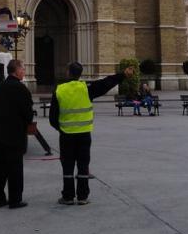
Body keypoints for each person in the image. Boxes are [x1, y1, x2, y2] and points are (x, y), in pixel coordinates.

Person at [50, 62, 134, 205]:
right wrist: (122, 75)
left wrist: (62, 128)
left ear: (68, 73)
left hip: (66, 135)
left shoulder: (59, 90)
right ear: (79, 74)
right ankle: (83, 196)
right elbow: (106, 83)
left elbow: (52, 118)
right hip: (84, 135)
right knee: (83, 165)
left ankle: (68, 196)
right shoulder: (87, 89)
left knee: (67, 166)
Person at [0, 59, 34, 209]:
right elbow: (28, 114)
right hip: (14, 135)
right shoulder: (21, 89)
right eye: (23, 69)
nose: (24, 72)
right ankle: (15, 199)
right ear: (16, 70)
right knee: (15, 168)